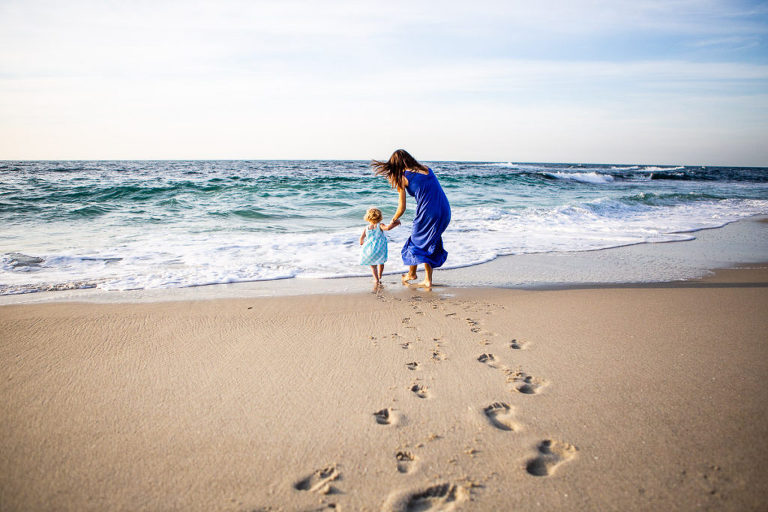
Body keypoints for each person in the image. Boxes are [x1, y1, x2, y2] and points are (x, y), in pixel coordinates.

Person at [371, 149, 451, 288]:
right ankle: (427, 279)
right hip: (445, 210)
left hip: (428, 213)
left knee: (415, 242)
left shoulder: (402, 177)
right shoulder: (427, 169)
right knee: (430, 242)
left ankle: (411, 274)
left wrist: (393, 219)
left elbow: (402, 207)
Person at [359, 207, 398, 286]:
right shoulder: (380, 225)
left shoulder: (366, 228)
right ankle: (380, 275)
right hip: (380, 247)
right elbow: (387, 228)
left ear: (368, 217)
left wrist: (362, 243)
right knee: (381, 262)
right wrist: (395, 224)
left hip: (369, 248)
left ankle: (376, 279)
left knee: (373, 266)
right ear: (380, 217)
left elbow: (361, 238)